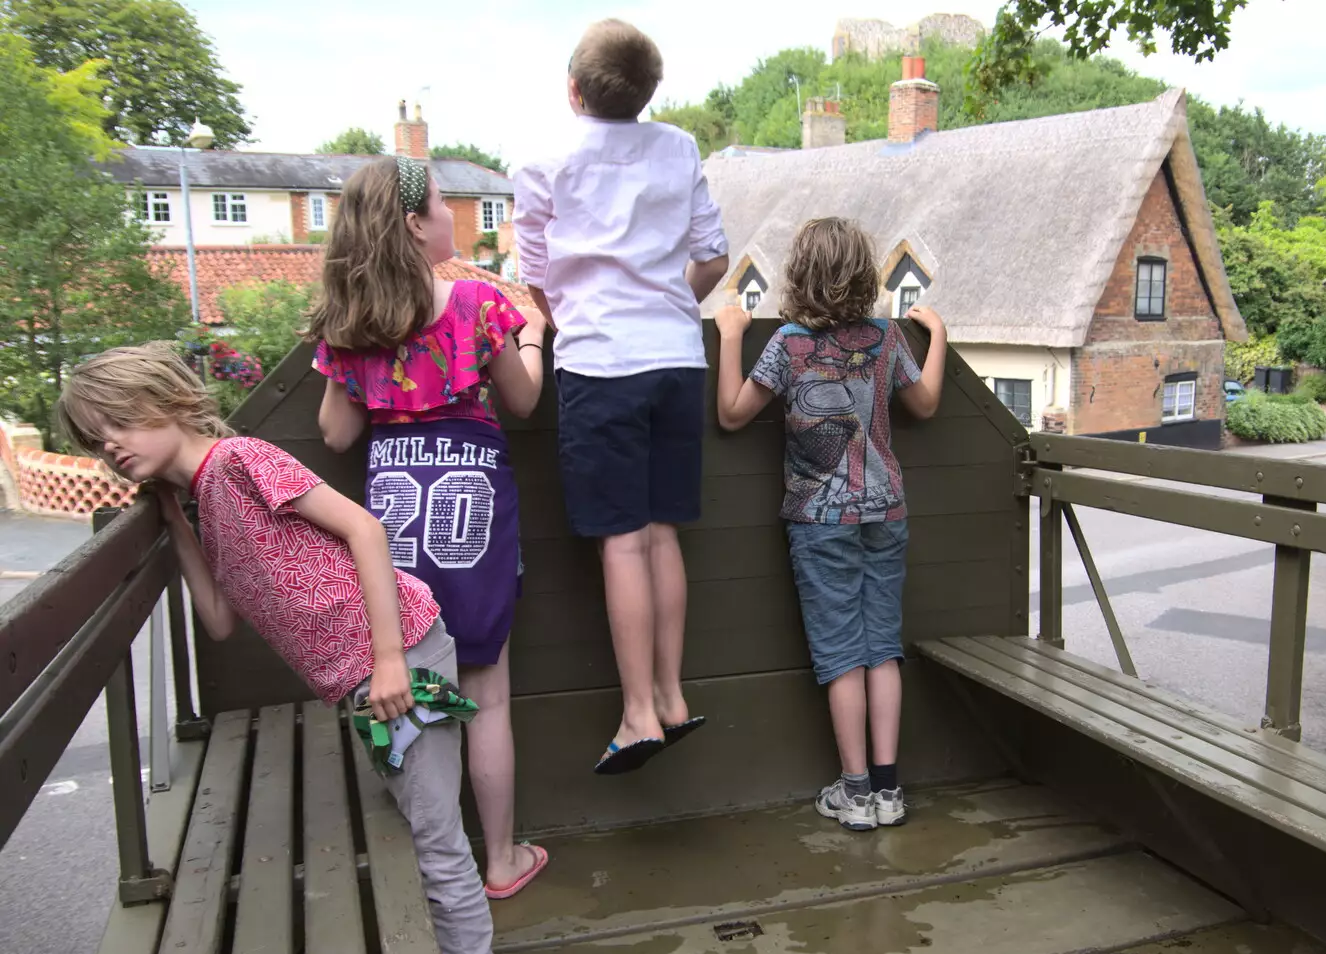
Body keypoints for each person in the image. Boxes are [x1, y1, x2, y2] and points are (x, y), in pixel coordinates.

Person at [57, 344, 511, 954]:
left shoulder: (242, 463)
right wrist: (174, 520)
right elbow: (218, 617)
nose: (107, 445)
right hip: (362, 679)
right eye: (94, 438)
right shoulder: (204, 500)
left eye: (114, 422)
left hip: (401, 657)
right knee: (409, 813)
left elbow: (365, 528)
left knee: (434, 833)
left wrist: (389, 659)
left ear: (166, 402)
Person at [309, 156, 547, 899]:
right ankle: (500, 859)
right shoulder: (478, 304)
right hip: (472, 519)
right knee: (488, 695)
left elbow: (336, 434)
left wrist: (354, 364)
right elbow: (525, 400)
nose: (453, 214)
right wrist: (534, 335)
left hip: (398, 536)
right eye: (445, 202)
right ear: (415, 224)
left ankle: (430, 858)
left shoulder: (353, 325)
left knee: (414, 690)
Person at [513, 19, 730, 774]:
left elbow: (536, 277)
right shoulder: (679, 147)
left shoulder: (543, 161)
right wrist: (671, 298)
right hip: (677, 358)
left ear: (573, 90)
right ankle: (671, 694)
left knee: (623, 540)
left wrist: (576, 319)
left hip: (601, 366)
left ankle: (638, 713)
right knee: (663, 532)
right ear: (648, 92)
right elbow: (713, 256)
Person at [713, 217, 948, 831]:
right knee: (882, 650)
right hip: (886, 509)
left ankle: (855, 793)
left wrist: (732, 333)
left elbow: (734, 415)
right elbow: (924, 404)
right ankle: (891, 792)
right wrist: (939, 335)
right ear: (864, 274)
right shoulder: (887, 336)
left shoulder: (789, 343)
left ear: (800, 277)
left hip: (820, 521)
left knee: (842, 655)